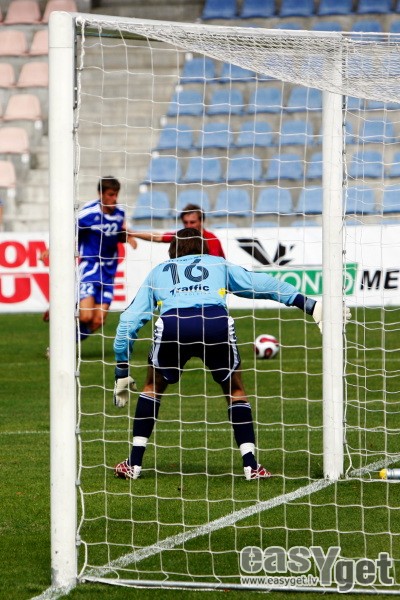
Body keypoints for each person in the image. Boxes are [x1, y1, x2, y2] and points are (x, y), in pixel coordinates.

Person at [112, 228, 351, 481]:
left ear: (172, 251)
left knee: (152, 388)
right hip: (215, 323)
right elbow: (262, 284)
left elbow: (128, 322)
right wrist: (309, 304)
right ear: (204, 248)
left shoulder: (159, 271)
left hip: (174, 325)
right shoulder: (218, 264)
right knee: (235, 390)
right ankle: (251, 466)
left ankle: (133, 464)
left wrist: (122, 370)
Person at [77, 176, 138, 341]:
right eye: (111, 194)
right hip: (90, 267)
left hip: (109, 271)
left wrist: (127, 237)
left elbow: (117, 234)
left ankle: (65, 346)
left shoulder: (120, 213)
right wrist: (52, 249)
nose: (114, 198)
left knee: (98, 320)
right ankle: (61, 310)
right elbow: (69, 231)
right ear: (101, 194)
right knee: (85, 317)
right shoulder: (88, 213)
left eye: (116, 194)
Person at [131, 203, 225, 258]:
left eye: (192, 222)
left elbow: (217, 266)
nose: (188, 226)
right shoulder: (180, 237)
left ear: (202, 221)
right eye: (185, 222)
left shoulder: (211, 239)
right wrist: (131, 233)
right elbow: (157, 237)